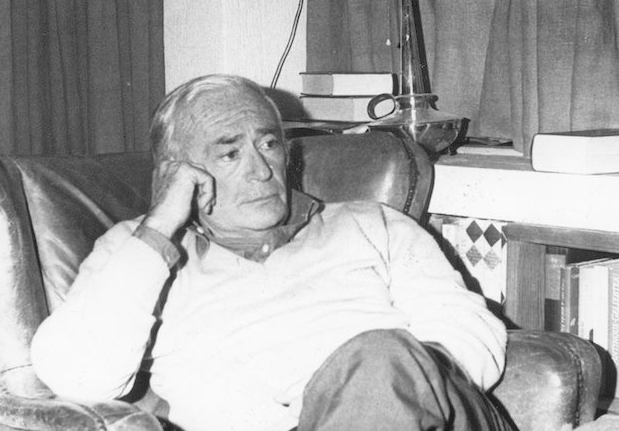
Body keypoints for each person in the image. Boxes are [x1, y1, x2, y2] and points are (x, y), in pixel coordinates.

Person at [31, 74, 511, 431]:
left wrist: (368, 396)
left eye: (269, 144)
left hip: (416, 413)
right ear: (177, 172)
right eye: (229, 153)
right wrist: (158, 229)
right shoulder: (134, 253)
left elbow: (470, 332)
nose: (262, 170)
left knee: (378, 359)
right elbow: (77, 378)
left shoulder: (372, 224)